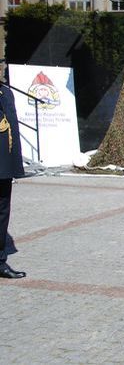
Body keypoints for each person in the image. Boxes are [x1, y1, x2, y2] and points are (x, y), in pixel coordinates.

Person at [0, 70, 27, 279]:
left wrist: (14, 167)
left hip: (3, 168)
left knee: (2, 213)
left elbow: (12, 134)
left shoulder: (6, 93)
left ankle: (0, 262)